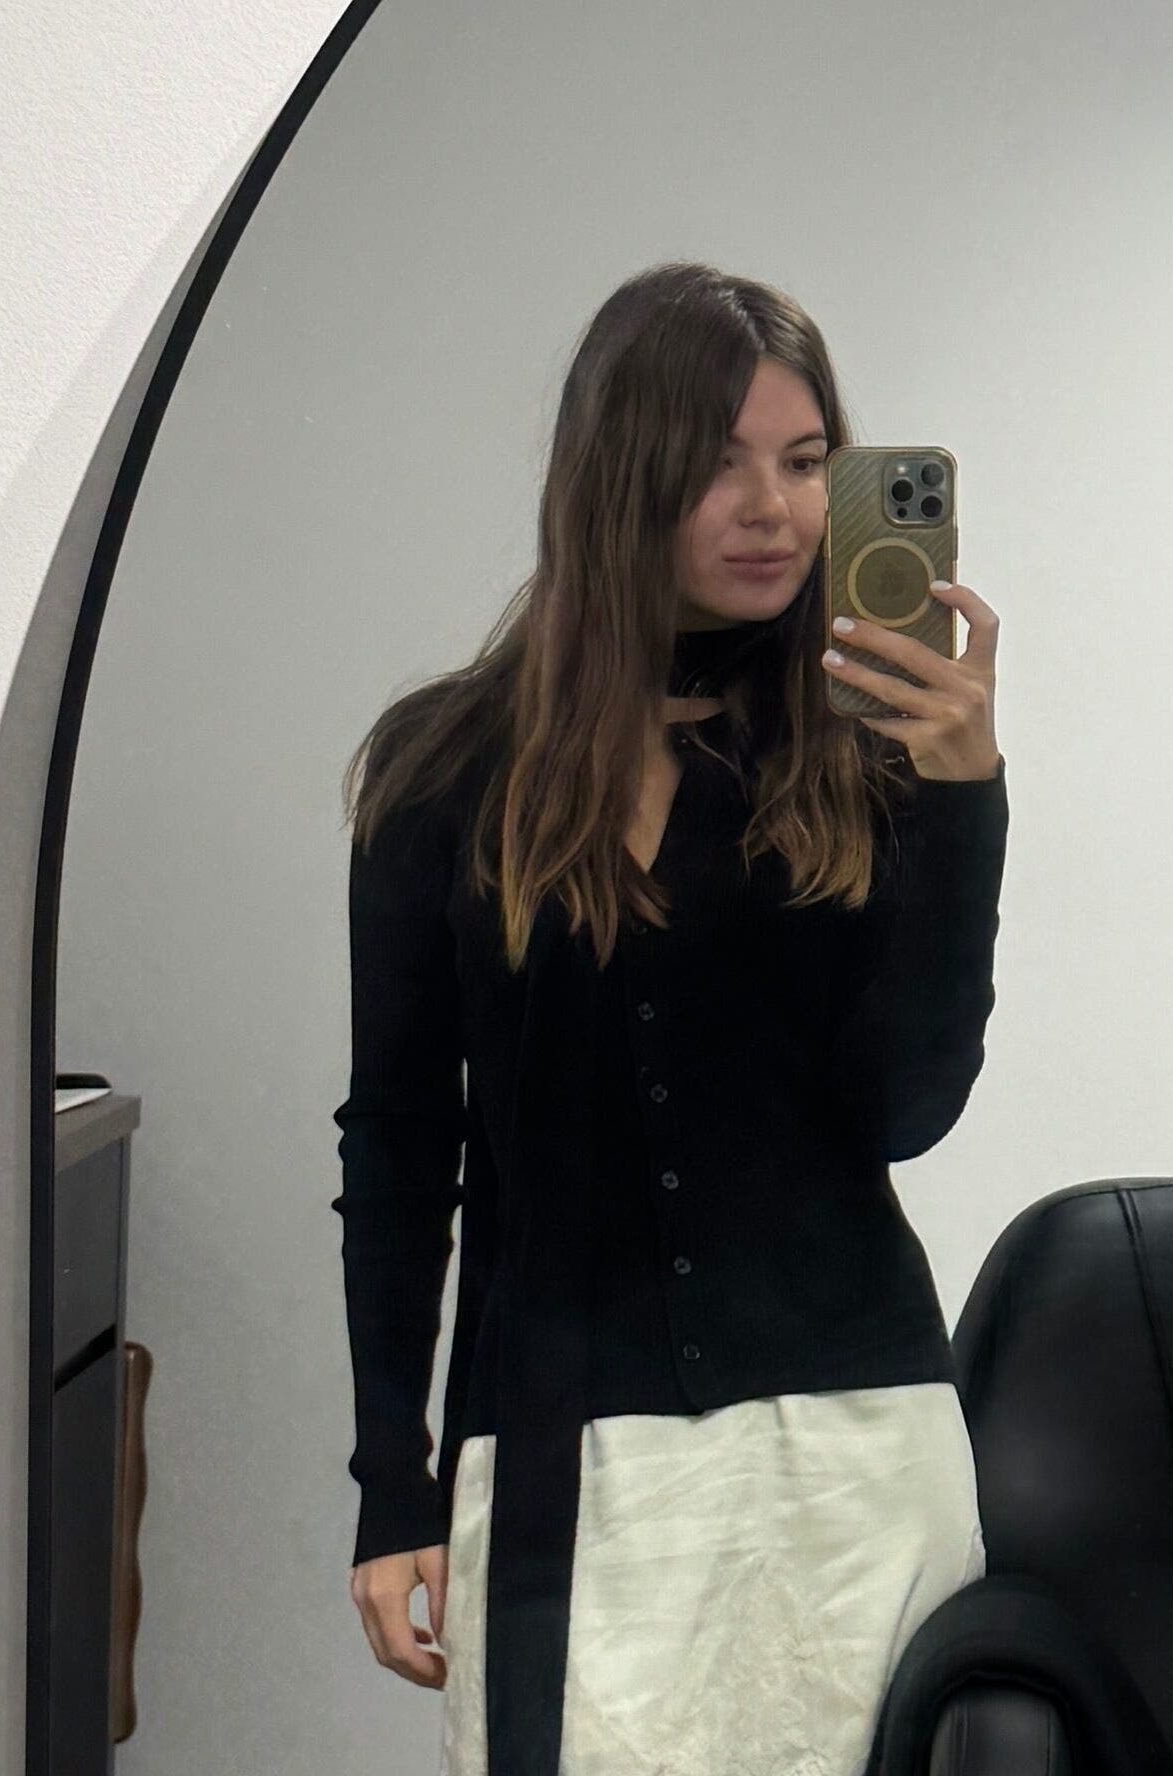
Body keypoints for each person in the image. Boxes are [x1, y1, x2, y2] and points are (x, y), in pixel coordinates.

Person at [330, 260, 1008, 1776]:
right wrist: (394, 1483)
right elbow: (398, 1144)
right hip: (568, 1458)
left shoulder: (869, 755)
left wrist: (966, 803)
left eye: (807, 461)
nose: (773, 507)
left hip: (852, 1457)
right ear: (618, 477)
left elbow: (906, 1108)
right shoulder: (447, 774)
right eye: (717, 462)